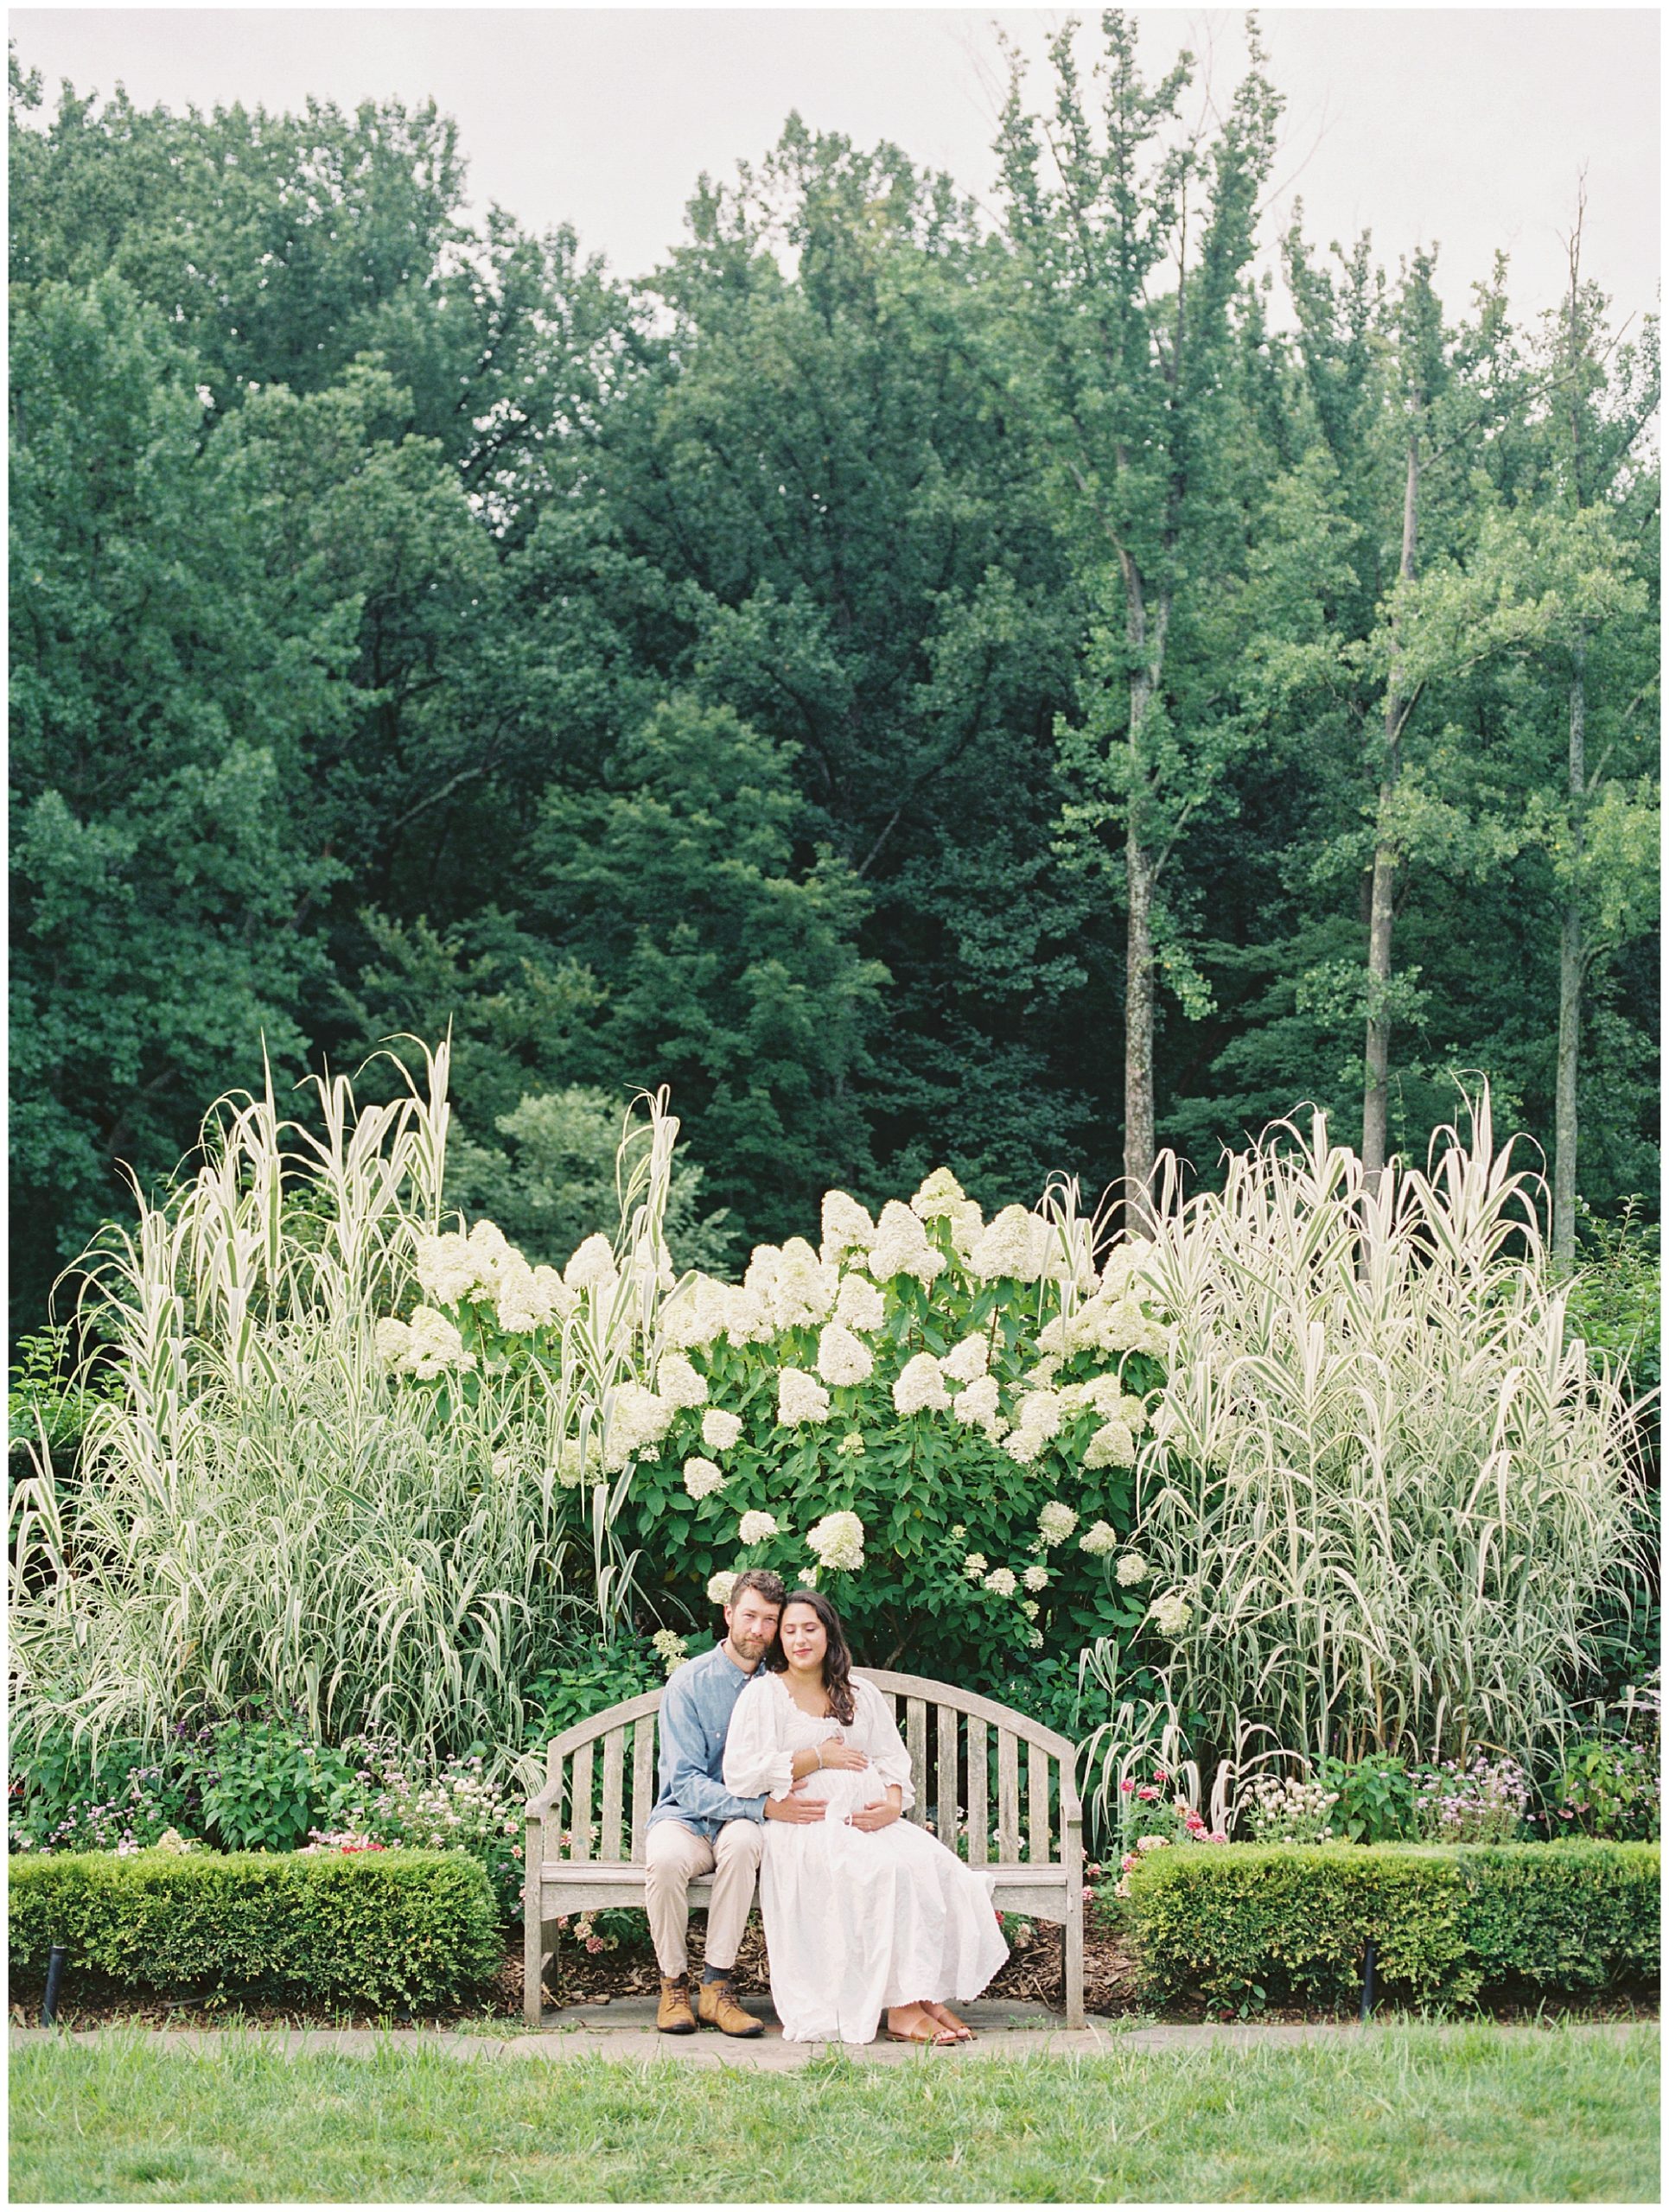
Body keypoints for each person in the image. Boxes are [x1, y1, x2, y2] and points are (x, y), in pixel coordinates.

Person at [722, 1588, 1010, 2045]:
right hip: (808, 1826)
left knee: (930, 1868)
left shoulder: (860, 1693)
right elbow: (742, 1773)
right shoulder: (764, 1696)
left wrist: (893, 1802)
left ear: (829, 1633)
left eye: (810, 1629)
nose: (800, 1639)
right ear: (780, 1641)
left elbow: (891, 1758)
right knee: (883, 1872)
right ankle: (902, 2009)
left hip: (869, 1822)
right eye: (790, 1630)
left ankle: (922, 1992)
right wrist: (819, 1757)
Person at [644, 1566, 825, 2036]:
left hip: (739, 1828)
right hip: (686, 1818)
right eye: (749, 1616)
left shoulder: (782, 1683)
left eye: (770, 1620)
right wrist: (760, 1807)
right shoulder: (690, 1682)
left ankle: (716, 1988)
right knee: (663, 1859)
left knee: (745, 1844)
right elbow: (684, 1782)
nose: (758, 1630)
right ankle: (672, 1986)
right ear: (728, 1614)